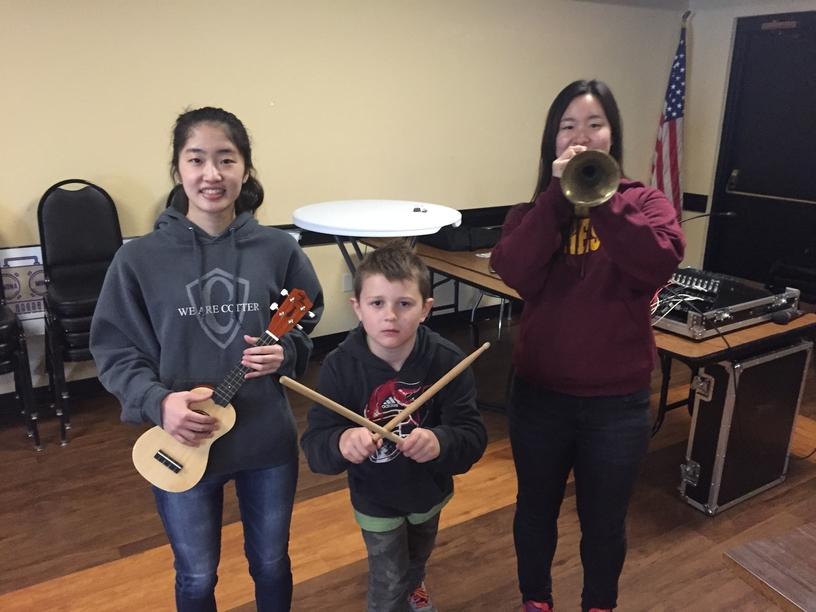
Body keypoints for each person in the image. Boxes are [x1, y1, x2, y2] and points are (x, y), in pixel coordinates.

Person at [90, 106, 324, 612]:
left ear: (246, 169)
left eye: (226, 159)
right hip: (180, 442)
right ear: (178, 170)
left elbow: (305, 321)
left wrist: (286, 352)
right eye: (197, 160)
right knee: (195, 576)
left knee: (271, 563)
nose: (212, 174)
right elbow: (115, 350)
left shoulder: (277, 249)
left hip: (266, 440)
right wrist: (158, 403)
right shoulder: (138, 260)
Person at [490, 80, 685, 612]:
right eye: (567, 126)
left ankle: (599, 604)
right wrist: (558, 199)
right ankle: (537, 600)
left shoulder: (644, 202)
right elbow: (514, 271)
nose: (580, 136)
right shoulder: (533, 210)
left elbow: (656, 264)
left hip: (616, 405)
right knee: (535, 512)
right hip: (539, 398)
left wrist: (601, 200)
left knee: (604, 522)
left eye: (593, 124)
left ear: (612, 135)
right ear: (552, 143)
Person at [300, 240, 487, 612]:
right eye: (377, 303)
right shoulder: (340, 366)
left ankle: (415, 584)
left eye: (404, 304)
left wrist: (440, 441)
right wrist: (341, 443)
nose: (390, 316)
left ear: (425, 310)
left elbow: (472, 436)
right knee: (387, 581)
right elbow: (316, 447)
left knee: (417, 558)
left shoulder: (446, 361)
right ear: (357, 308)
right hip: (375, 496)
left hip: (428, 493)